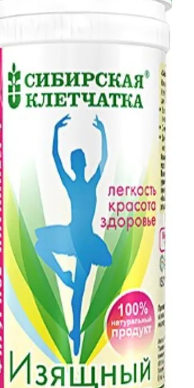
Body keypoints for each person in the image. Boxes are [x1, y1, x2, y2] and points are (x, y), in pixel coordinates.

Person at [35, 114, 113, 356]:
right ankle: (64, 277)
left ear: (79, 165)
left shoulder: (83, 184)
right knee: (41, 244)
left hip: (82, 242)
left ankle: (76, 331)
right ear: (80, 165)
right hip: (75, 237)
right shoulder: (86, 184)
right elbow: (58, 159)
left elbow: (102, 159)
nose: (77, 165)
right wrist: (56, 130)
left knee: (77, 293)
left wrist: (101, 132)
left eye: (76, 162)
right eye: (76, 162)